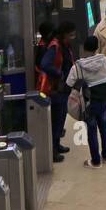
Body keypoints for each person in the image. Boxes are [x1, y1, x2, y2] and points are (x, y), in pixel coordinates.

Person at [68, 35, 106, 168]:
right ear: (97, 48)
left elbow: (68, 83)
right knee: (104, 128)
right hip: (103, 101)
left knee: (92, 130)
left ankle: (95, 161)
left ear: (84, 48)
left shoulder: (78, 67)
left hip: (89, 105)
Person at [39, 22, 77, 162]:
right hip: (56, 89)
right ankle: (53, 151)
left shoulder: (65, 45)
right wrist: (58, 74)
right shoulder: (55, 47)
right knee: (56, 120)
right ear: (64, 34)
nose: (73, 37)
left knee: (61, 119)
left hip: (64, 87)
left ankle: (57, 145)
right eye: (71, 34)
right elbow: (45, 64)